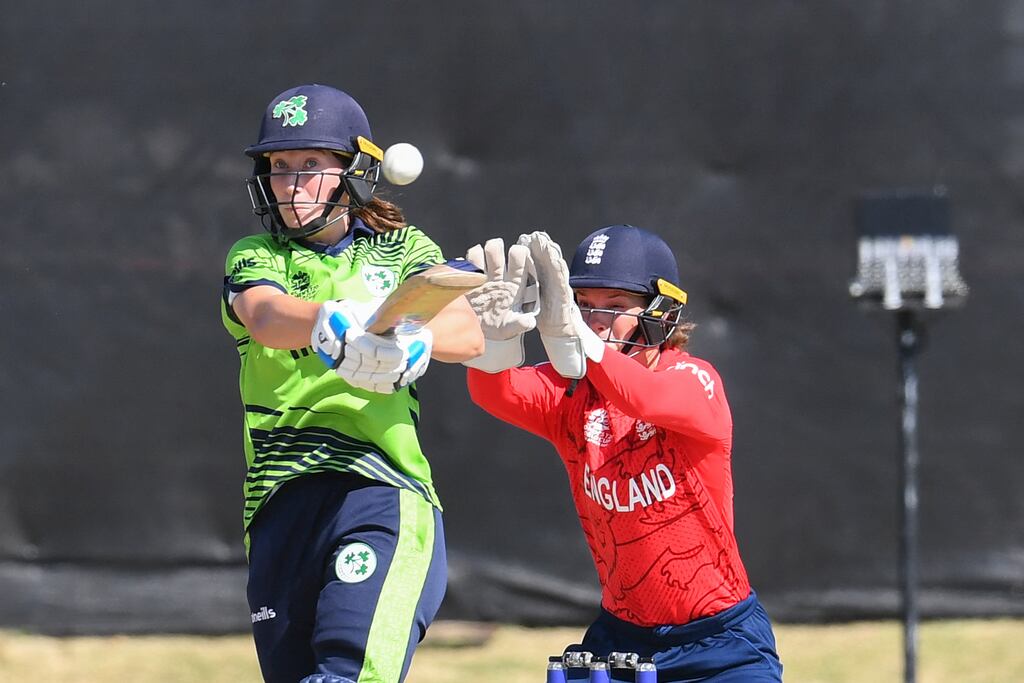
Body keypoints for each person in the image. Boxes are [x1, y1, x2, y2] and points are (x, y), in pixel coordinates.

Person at [221, 83, 483, 683]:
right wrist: (329, 318)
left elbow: (467, 332)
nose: (290, 182)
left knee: (349, 671)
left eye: (310, 164)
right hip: (278, 501)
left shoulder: (402, 249)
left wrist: (416, 339)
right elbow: (263, 316)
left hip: (381, 489)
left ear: (352, 170)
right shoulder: (256, 253)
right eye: (279, 166)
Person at [463, 225, 783, 682]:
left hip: (721, 641)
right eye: (584, 304)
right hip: (622, 641)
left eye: (615, 307)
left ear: (661, 313)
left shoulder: (695, 379)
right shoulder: (572, 394)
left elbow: (643, 398)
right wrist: (493, 344)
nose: (595, 320)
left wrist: (577, 338)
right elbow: (498, 394)